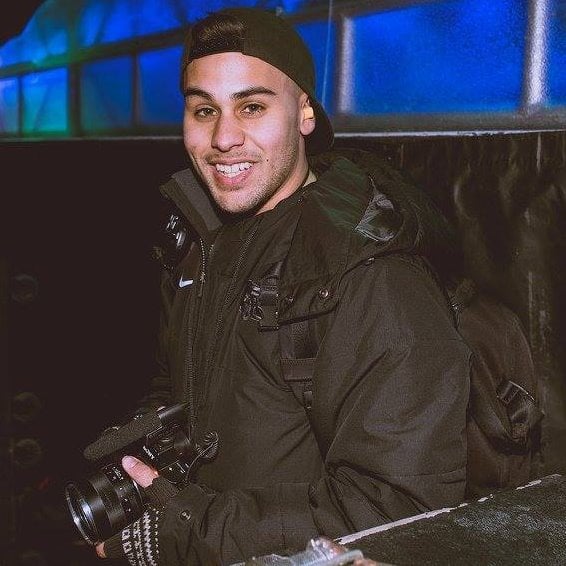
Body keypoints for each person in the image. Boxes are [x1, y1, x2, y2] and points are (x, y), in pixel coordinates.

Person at [95, 7, 470, 565]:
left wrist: (182, 531)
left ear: (304, 113)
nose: (224, 138)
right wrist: (141, 470)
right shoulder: (200, 244)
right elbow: (176, 382)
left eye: (252, 106)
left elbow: (398, 508)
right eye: (204, 110)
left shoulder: (372, 275)